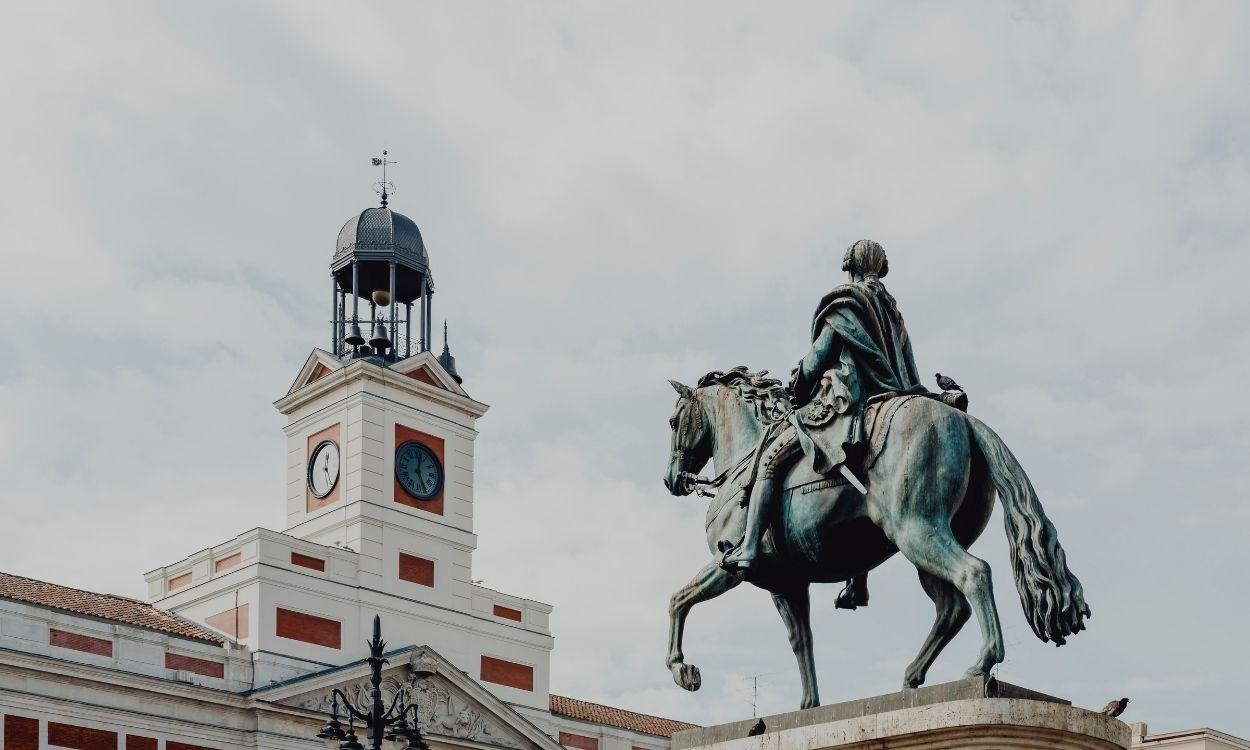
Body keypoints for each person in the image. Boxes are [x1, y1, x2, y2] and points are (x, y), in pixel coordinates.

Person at [720, 240, 926, 603]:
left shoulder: (846, 302)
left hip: (845, 399)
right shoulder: (892, 311)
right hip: (893, 396)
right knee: (862, 480)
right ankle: (857, 580)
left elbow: (818, 359)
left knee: (770, 459)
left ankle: (750, 546)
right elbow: (907, 365)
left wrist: (799, 377)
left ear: (851, 267)